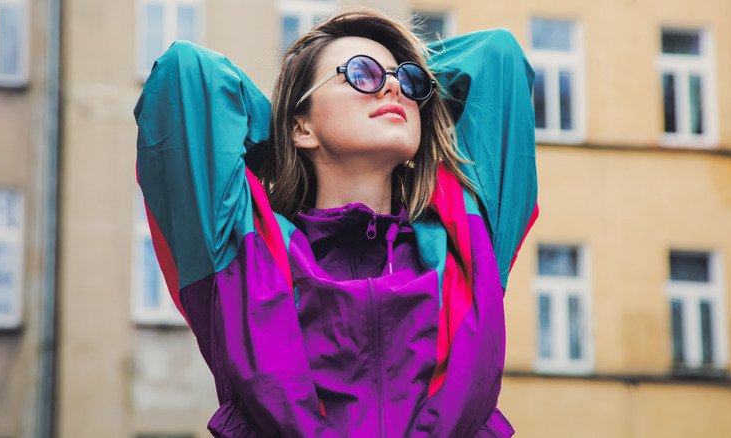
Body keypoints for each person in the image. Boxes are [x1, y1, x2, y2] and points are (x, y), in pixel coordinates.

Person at [134, 8, 537, 437]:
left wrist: (392, 80)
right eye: (362, 73)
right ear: (302, 126)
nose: (396, 86)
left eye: (410, 81)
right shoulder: (243, 253)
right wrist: (278, 134)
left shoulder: (468, 243)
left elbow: (498, 56)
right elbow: (186, 75)